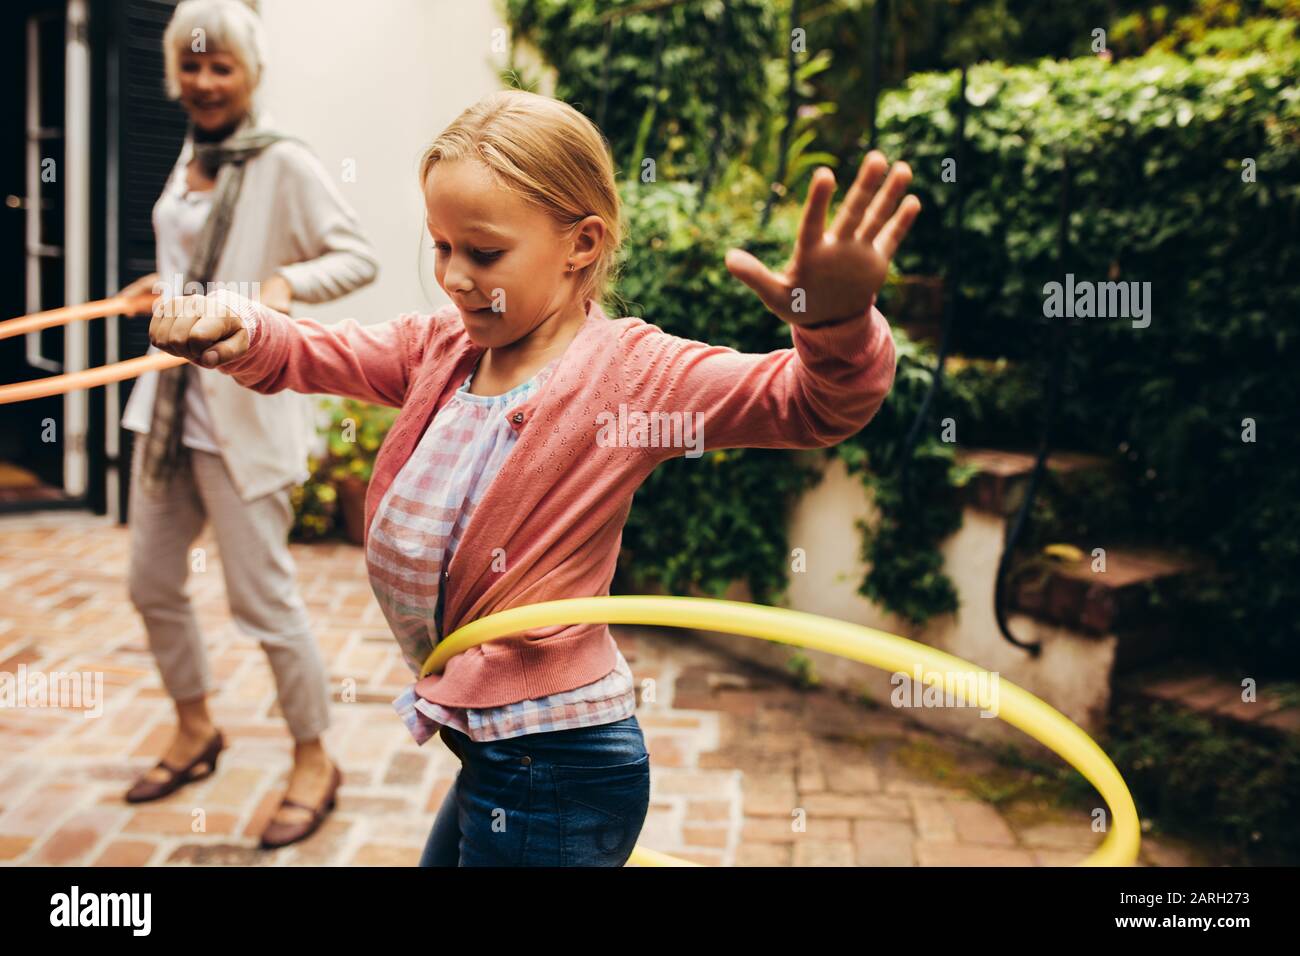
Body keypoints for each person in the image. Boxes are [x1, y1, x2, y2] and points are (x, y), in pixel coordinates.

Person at [147, 89, 916, 865]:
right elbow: (313, 349)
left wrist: (836, 326)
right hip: (498, 748)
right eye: (440, 246)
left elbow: (814, 405)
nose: (451, 275)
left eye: (482, 253)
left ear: (581, 244)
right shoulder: (442, 350)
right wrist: (236, 324)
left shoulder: (633, 375)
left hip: (559, 761)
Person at [117, 0, 378, 850]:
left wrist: (282, 290)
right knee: (151, 583)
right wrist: (156, 292)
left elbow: (356, 256)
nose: (202, 81)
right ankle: (196, 727)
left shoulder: (282, 163)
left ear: (252, 74)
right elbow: (190, 262)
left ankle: (313, 759)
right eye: (190, 66)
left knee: (262, 603)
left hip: (245, 411)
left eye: (220, 66)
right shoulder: (192, 155)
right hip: (167, 412)